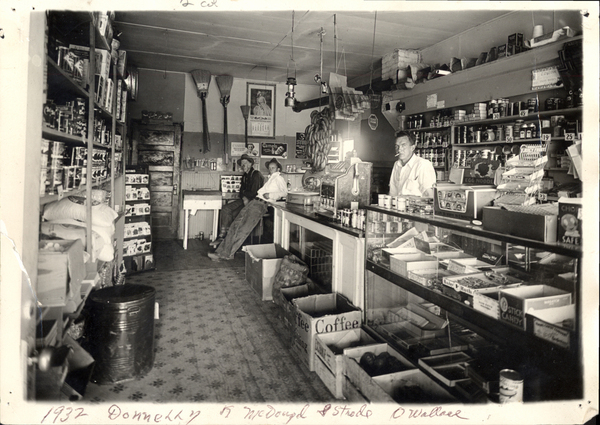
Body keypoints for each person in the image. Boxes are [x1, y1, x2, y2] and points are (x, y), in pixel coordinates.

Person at [208, 158, 287, 261]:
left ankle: (226, 254)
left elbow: (285, 193)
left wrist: (271, 194)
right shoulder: (270, 178)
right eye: (270, 168)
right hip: (254, 202)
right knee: (234, 226)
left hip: (260, 205)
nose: (271, 169)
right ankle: (221, 252)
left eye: (273, 168)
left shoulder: (279, 178)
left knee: (242, 230)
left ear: (278, 169)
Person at [210, 154, 263, 247]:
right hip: (244, 200)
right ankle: (223, 236)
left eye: (245, 163)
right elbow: (241, 192)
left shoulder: (256, 174)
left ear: (250, 164)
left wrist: (245, 195)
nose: (243, 166)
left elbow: (254, 193)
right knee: (226, 208)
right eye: (242, 164)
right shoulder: (245, 176)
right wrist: (244, 197)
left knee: (234, 214)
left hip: (254, 203)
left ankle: (229, 241)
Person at [389, 131, 437, 198]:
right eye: (397, 146)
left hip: (417, 208)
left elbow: (430, 196)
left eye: (403, 145)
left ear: (412, 147)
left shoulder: (423, 165)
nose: (399, 150)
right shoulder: (397, 165)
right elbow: (393, 193)